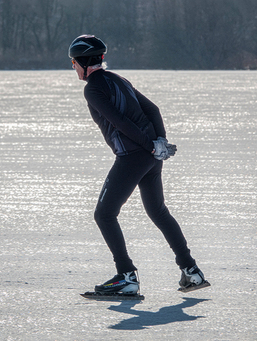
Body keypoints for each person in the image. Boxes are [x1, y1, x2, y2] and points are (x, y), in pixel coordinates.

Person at [68, 34, 209, 294]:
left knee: (104, 214)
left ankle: (126, 276)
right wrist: (159, 143)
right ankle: (192, 271)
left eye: (74, 62)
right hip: (150, 156)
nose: (73, 67)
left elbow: (120, 122)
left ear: (84, 62)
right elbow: (153, 110)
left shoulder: (93, 88)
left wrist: (150, 145)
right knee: (158, 212)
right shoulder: (119, 80)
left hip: (133, 156)